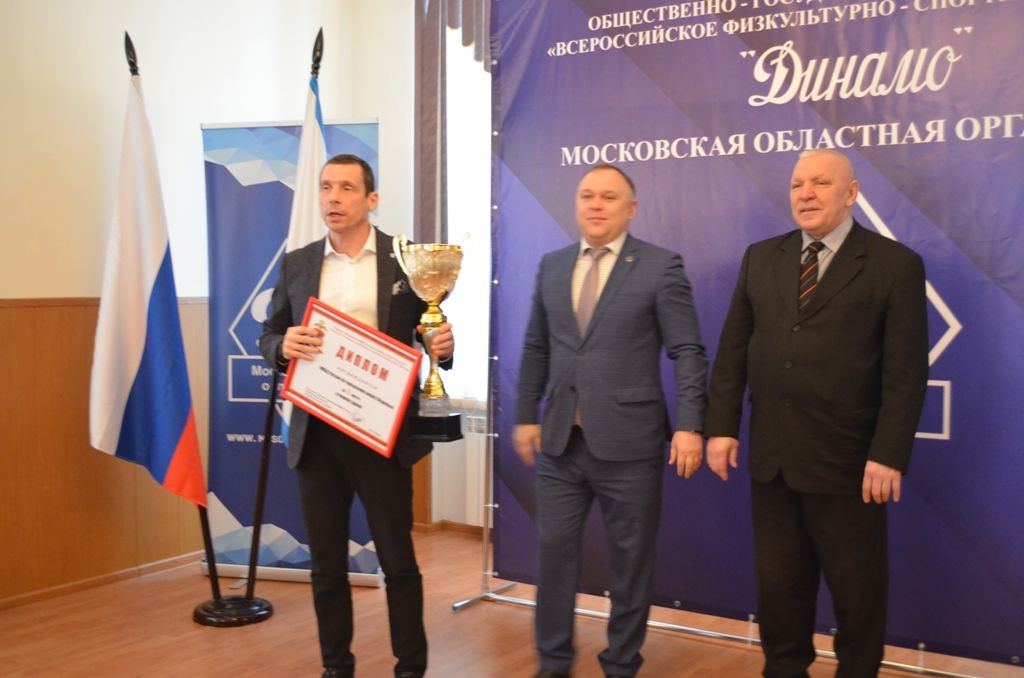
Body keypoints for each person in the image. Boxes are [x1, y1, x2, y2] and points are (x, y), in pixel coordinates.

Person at [704, 149, 928, 678]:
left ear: (851, 194)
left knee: (857, 592)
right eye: (797, 184)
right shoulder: (762, 257)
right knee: (779, 588)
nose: (805, 193)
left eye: (821, 183)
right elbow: (733, 351)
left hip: (850, 466)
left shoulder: (894, 264)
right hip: (773, 460)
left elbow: (905, 373)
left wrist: (888, 454)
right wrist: (721, 428)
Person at [259, 154, 453, 678]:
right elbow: (269, 334)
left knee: (398, 561)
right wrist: (282, 346)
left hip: (382, 435)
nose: (333, 197)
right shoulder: (298, 263)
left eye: (346, 187)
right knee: (326, 566)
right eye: (326, 187)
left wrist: (442, 344)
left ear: (371, 199)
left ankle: (410, 667)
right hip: (316, 435)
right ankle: (335, 667)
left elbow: (431, 331)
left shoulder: (405, 259)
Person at [514, 164, 707, 678]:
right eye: (587, 195)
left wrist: (690, 424)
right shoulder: (553, 266)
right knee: (553, 558)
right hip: (560, 443)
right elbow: (536, 346)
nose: (596, 205)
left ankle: (621, 664)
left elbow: (687, 351)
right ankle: (553, 664)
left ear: (631, 209)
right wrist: (526, 413)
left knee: (630, 564)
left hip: (631, 446)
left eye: (608, 197)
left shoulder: (660, 266)